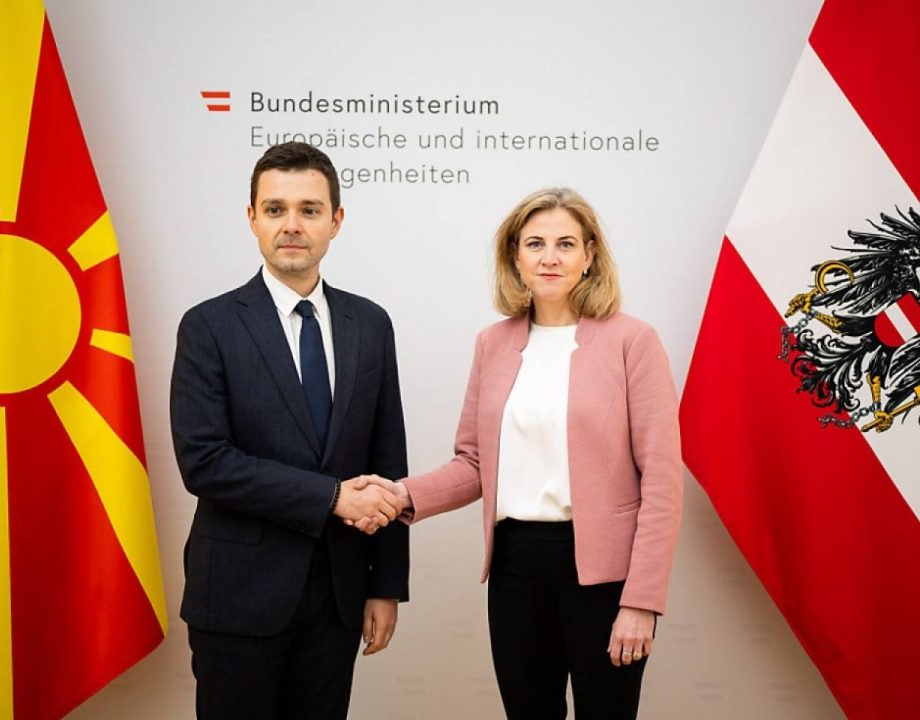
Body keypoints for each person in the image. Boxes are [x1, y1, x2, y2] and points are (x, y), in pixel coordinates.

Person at [354, 187, 682, 719]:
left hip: (605, 575)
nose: (550, 257)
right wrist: (399, 495)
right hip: (516, 566)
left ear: (589, 255)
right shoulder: (493, 343)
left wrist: (642, 600)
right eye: (535, 244)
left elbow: (662, 481)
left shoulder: (633, 341)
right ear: (515, 257)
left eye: (565, 244)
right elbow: (474, 464)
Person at [170, 141, 409, 720]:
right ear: (252, 218)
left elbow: (388, 459)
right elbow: (205, 462)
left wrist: (385, 583)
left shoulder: (370, 324)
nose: (292, 225)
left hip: (338, 595)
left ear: (336, 220)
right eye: (276, 209)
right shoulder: (208, 325)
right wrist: (331, 497)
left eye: (310, 209)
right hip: (237, 597)